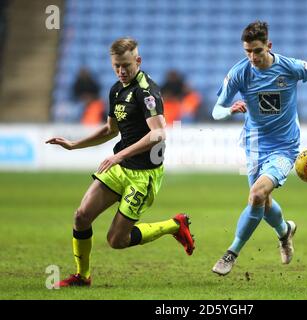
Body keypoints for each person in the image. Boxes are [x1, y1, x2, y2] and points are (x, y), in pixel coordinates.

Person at [46, 37, 195, 287]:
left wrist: (119, 155)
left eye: (126, 65)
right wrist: (74, 144)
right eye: (116, 66)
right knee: (81, 216)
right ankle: (83, 276)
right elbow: (110, 130)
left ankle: (174, 225)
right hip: (120, 168)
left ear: (138, 60)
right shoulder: (116, 89)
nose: (121, 71)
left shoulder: (147, 91)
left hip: (143, 175)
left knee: (117, 240)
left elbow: (158, 133)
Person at [211, 21, 307, 276]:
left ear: (269, 45)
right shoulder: (239, 73)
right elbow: (217, 110)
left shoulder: (288, 67)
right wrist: (230, 109)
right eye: (247, 51)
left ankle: (231, 252)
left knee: (256, 195)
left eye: (257, 50)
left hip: (284, 146)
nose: (252, 57)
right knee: (262, 202)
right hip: (254, 146)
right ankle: (285, 231)